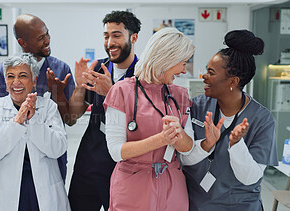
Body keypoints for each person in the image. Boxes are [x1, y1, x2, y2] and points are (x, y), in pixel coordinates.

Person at [180, 29, 278, 210]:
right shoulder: (195, 107)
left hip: (239, 206)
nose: (204, 77)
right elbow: (183, 158)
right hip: (197, 204)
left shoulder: (262, 120)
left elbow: (251, 178)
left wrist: (236, 144)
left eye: (211, 72)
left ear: (233, 82)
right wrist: (206, 145)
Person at [103, 27, 195, 210]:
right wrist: (161, 139)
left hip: (173, 186)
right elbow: (116, 151)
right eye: (183, 63)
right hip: (134, 186)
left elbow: (188, 148)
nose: (184, 71)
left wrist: (179, 134)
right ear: (167, 59)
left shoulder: (180, 95)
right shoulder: (121, 91)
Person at [0, 14, 75, 181]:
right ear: (22, 43)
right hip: (12, 153)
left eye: (47, 34)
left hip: (50, 153)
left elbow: (70, 120)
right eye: (40, 38)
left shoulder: (60, 69)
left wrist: (58, 94)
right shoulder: (4, 72)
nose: (47, 40)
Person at [67, 10, 141, 211]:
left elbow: (142, 122)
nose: (110, 42)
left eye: (117, 35)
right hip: (90, 160)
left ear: (133, 37)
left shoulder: (144, 74)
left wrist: (112, 92)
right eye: (106, 36)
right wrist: (80, 85)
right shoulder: (99, 68)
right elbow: (72, 117)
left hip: (124, 164)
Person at [0, 54, 70, 211]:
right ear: (5, 82)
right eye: (10, 76)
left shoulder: (48, 106)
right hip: (7, 194)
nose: (16, 82)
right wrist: (17, 122)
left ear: (34, 80)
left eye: (23, 75)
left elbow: (58, 149)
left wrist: (34, 121)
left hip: (43, 192)